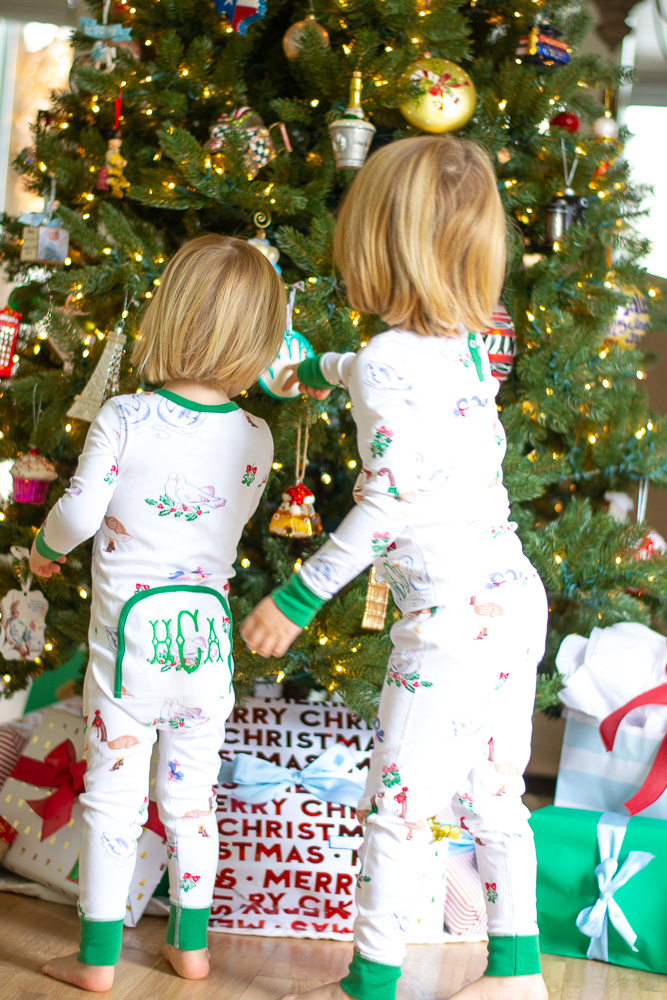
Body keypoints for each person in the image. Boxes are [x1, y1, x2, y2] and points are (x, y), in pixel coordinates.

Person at [241, 135, 549, 1000]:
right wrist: (317, 372)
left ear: (373, 245)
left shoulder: (390, 361)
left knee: (397, 807)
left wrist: (296, 597)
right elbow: (392, 378)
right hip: (510, 600)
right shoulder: (462, 348)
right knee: (494, 795)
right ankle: (517, 975)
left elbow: (388, 504)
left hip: (447, 618)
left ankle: (369, 986)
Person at [30, 233, 285, 992]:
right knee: (190, 800)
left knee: (114, 797)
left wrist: (46, 546)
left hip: (129, 657)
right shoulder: (257, 435)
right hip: (205, 651)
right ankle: (192, 947)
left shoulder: (128, 417)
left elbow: (78, 516)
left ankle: (98, 959)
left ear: (167, 317)